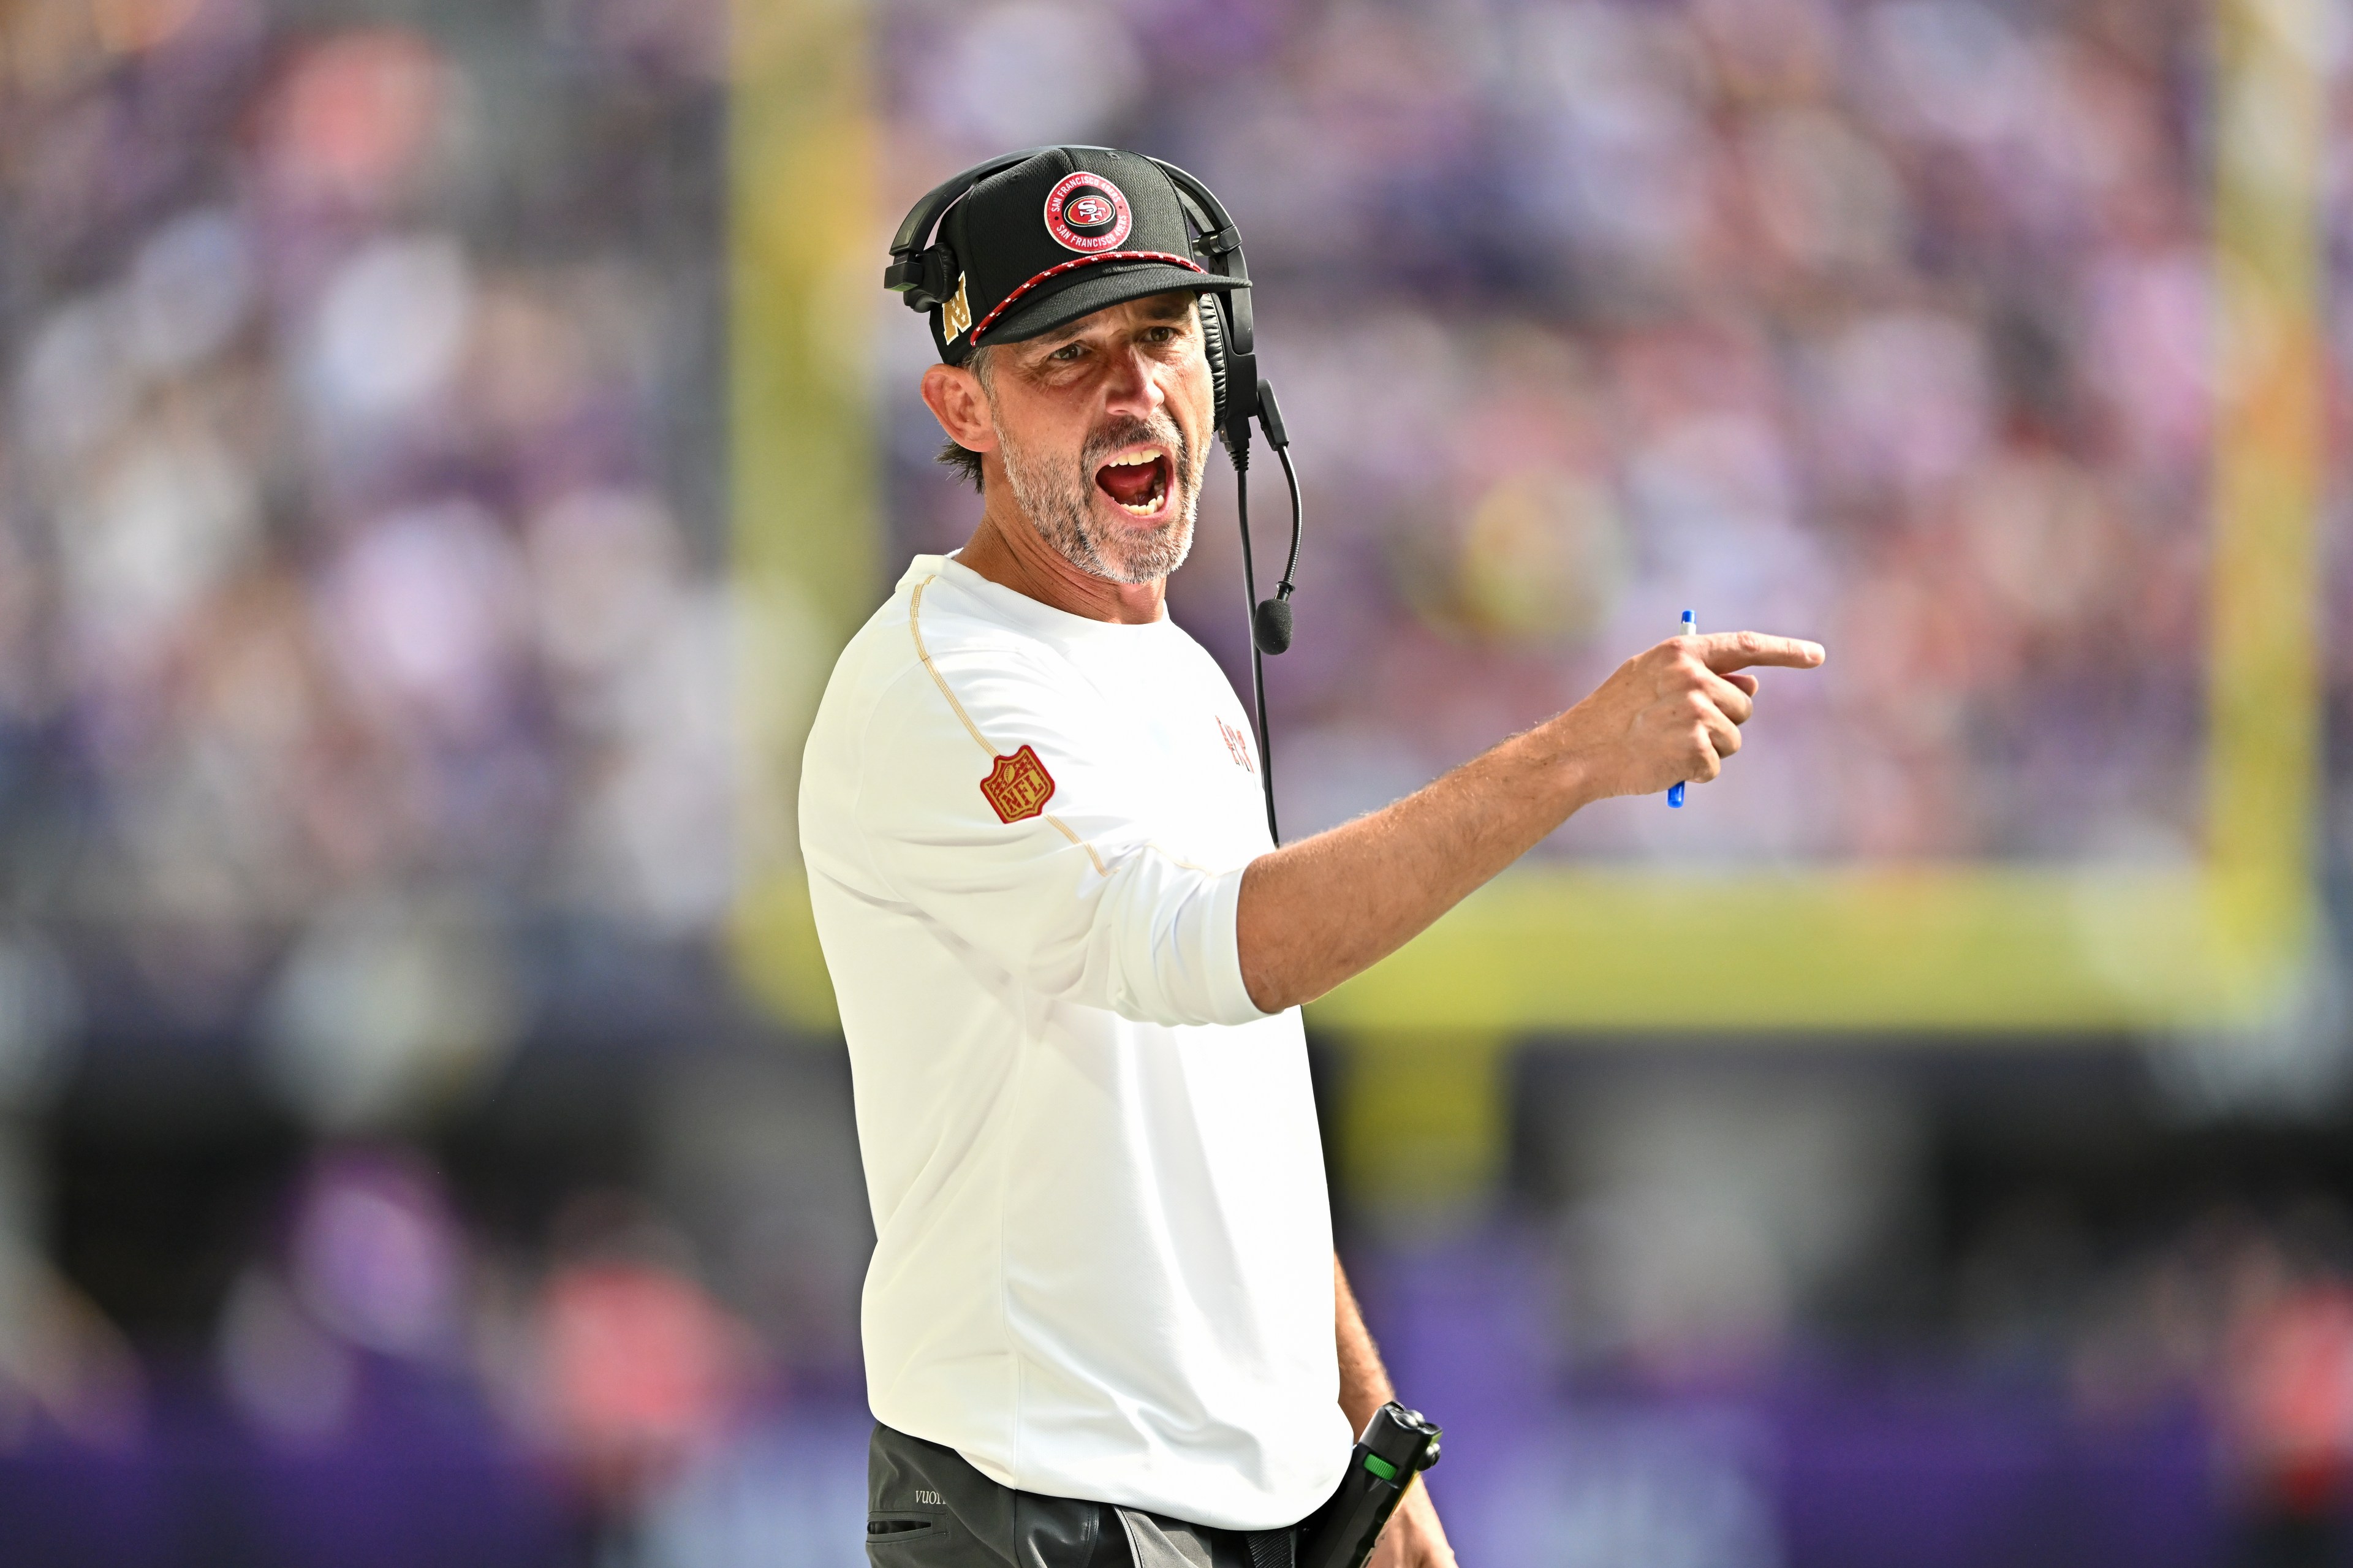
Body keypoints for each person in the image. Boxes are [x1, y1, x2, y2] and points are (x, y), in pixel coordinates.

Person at [800, 146, 1825, 1568]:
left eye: (1163, 335)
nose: (1131, 385)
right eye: (1064, 354)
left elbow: (1244, 1108)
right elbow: (1200, 951)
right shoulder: (943, 684)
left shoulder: (1183, 679)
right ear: (961, 403)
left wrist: (1364, 1424)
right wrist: (1574, 757)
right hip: (1046, 1504)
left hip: (1237, 1502)